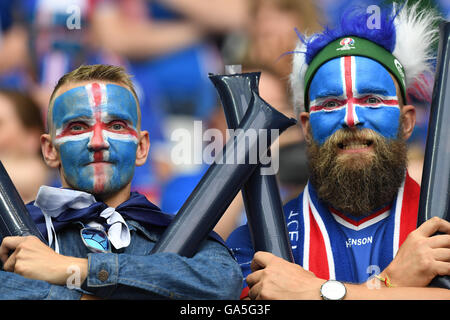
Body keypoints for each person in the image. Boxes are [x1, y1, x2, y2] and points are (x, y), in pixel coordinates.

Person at [226, 3, 450, 299]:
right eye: (331, 103)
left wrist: (313, 292)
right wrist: (390, 281)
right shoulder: (257, 243)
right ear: (305, 127)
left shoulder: (443, 231)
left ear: (407, 122)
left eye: (371, 99)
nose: (351, 118)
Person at [0, 64, 242, 300]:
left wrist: (72, 268)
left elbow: (223, 281)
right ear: (50, 150)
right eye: (77, 126)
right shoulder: (12, 233)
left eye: (116, 126)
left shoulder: (177, 231)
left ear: (142, 148)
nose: (97, 142)